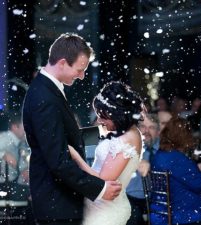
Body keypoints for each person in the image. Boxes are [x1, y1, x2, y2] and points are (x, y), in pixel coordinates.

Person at [22, 33, 121, 225]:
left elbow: (60, 137)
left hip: (59, 202)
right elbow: (58, 161)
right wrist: (99, 189)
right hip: (57, 203)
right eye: (80, 69)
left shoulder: (48, 89)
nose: (82, 76)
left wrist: (102, 133)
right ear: (62, 63)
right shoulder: (44, 97)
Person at [68, 81, 144, 225]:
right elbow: (86, 135)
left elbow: (103, 181)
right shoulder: (122, 130)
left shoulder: (127, 139)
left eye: (102, 116)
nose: (99, 121)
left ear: (116, 114)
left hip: (106, 211)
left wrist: (76, 157)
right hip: (97, 205)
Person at [150, 117, 201, 225]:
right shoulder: (176, 158)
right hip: (187, 214)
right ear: (184, 136)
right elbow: (200, 184)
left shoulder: (160, 155)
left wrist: (195, 168)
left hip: (166, 212)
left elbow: (182, 176)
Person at [126, 113, 160, 225]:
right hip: (130, 198)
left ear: (158, 132)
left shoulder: (164, 149)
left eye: (152, 127)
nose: (146, 131)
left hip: (158, 199)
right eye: (143, 127)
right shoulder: (129, 147)